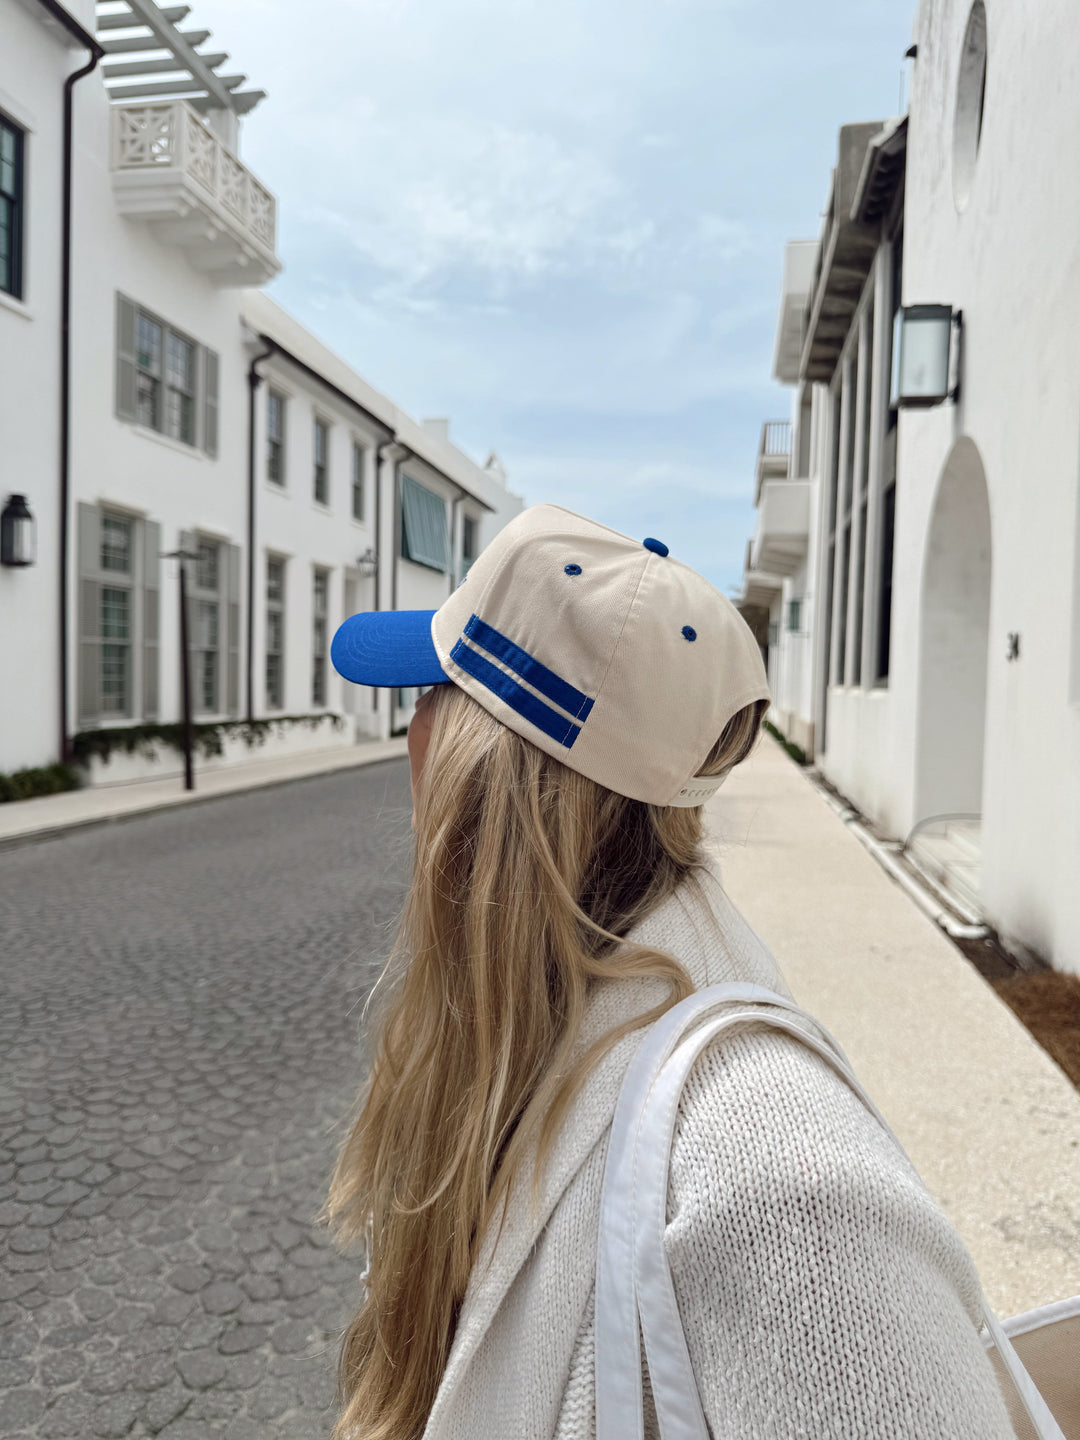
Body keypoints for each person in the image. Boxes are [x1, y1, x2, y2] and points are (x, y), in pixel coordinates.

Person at [324, 504, 1015, 1440]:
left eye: (428, 693)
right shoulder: (535, 1026)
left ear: (476, 758)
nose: (410, 728)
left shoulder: (780, 1186)